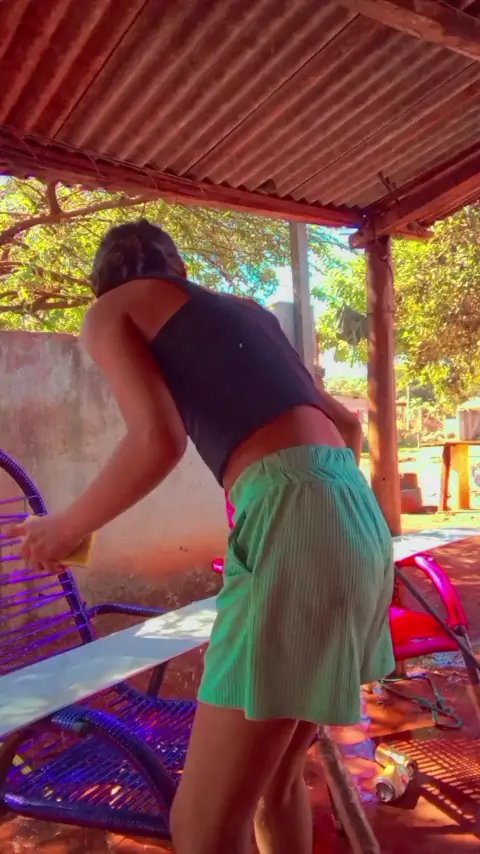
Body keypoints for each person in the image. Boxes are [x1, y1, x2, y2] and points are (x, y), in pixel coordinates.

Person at [12, 219, 394, 854]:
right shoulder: (248, 314)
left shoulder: (109, 312)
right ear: (180, 273)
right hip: (357, 517)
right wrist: (313, 514)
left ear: (104, 286)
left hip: (296, 519)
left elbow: (158, 439)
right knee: (274, 783)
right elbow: (349, 429)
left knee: (202, 827)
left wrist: (64, 528)